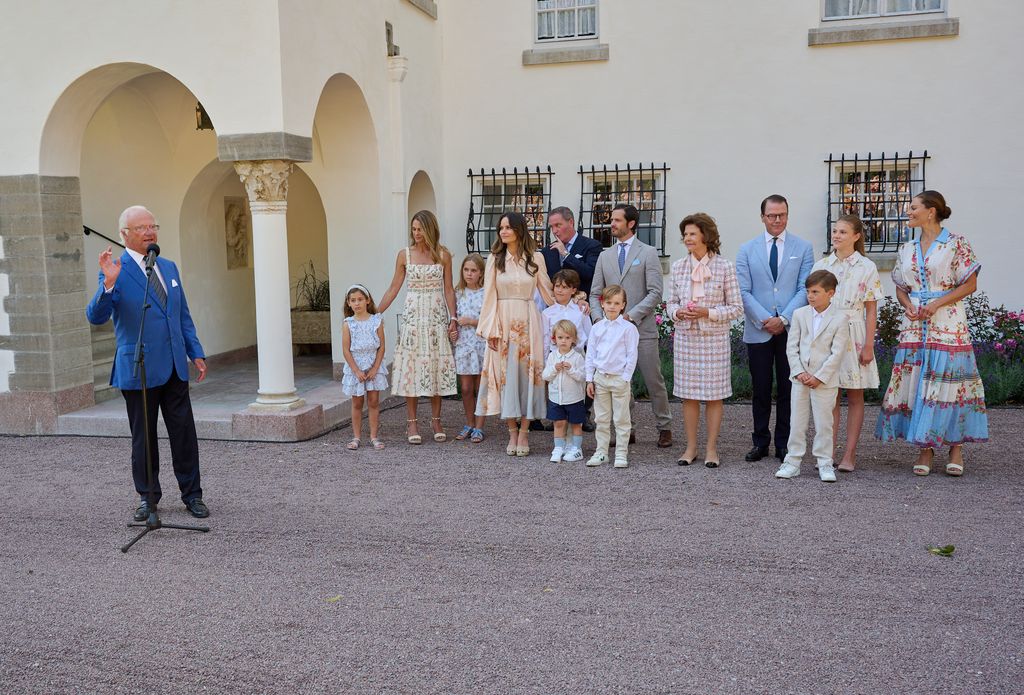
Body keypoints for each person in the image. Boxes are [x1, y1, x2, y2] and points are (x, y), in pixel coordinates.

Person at [85, 205, 209, 521]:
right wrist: (107, 285)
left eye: (152, 226)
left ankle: (192, 495)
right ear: (125, 234)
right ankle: (148, 497)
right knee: (144, 436)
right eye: (142, 228)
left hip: (174, 366)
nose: (150, 232)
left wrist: (195, 351)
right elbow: (96, 317)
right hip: (138, 368)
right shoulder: (115, 269)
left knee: (184, 433)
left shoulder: (168, 267)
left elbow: (181, 315)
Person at [875, 190, 988, 476]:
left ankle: (956, 448)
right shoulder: (907, 248)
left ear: (931, 211)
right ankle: (924, 449)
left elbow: (969, 284)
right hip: (915, 324)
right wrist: (908, 306)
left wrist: (936, 303)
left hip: (947, 322)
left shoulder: (955, 243)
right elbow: (901, 287)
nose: (908, 212)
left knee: (952, 384)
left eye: (913, 207)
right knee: (918, 383)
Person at [735, 194, 814, 463]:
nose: (777, 220)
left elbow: (805, 287)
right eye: (772, 215)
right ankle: (760, 441)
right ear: (762, 217)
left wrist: (785, 318)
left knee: (787, 387)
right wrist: (765, 318)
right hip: (759, 329)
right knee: (760, 388)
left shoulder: (803, 248)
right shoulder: (747, 249)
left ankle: (784, 443)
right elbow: (743, 291)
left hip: (791, 330)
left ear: (787, 216)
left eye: (782, 215)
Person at [589, 203, 673, 448]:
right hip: (611, 335)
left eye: (616, 220)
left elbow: (656, 292)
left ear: (631, 223)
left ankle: (664, 427)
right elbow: (595, 293)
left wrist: (631, 316)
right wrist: (598, 320)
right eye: (611, 220)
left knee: (653, 381)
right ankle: (628, 430)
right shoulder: (605, 256)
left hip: (642, 330)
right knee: (621, 383)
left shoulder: (647, 252)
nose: (611, 224)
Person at [665, 213, 743, 468]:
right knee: (687, 396)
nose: (687, 238)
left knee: (714, 396)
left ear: (706, 236)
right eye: (685, 234)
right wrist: (678, 312)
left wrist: (708, 312)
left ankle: (711, 448)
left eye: (692, 234)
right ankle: (690, 447)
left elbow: (736, 308)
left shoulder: (724, 267)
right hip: (687, 339)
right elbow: (670, 303)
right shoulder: (678, 267)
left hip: (714, 341)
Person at [476, 211, 554, 457]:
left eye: (508, 227)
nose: (503, 231)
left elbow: (548, 291)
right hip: (502, 320)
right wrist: (490, 330)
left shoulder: (536, 258)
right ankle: (512, 431)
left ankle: (525, 432)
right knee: (506, 377)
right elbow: (488, 296)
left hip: (529, 320)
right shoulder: (494, 259)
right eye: (501, 228)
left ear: (519, 230)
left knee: (527, 375)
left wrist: (574, 306)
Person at [377, 210, 458, 445]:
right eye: (413, 229)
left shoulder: (443, 255)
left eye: (420, 229)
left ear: (430, 228)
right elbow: (393, 287)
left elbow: (449, 289)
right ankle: (411, 423)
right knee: (412, 369)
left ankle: (436, 420)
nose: (416, 233)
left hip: (435, 317)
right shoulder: (405, 255)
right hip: (413, 318)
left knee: (435, 367)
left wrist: (453, 318)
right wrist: (375, 314)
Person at [813, 214, 883, 472]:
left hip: (854, 334)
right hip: (827, 333)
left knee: (855, 395)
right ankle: (827, 451)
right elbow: (812, 306)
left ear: (856, 236)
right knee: (829, 396)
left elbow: (871, 310)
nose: (836, 236)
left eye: (843, 232)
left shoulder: (867, 267)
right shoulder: (821, 265)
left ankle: (850, 454)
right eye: (834, 231)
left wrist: (869, 345)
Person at [775, 270, 850, 482]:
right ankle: (793, 460)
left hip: (824, 382)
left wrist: (819, 376)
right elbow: (792, 347)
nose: (811, 296)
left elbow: (838, 352)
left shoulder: (840, 318)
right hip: (800, 379)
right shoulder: (800, 314)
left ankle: (824, 462)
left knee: (824, 422)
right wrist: (799, 372)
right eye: (808, 291)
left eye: (815, 291)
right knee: (797, 421)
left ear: (830, 293)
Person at [585, 285, 640, 468]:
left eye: (617, 303)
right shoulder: (597, 328)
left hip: (619, 380)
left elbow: (632, 355)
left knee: (621, 419)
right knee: (601, 418)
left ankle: (621, 454)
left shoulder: (628, 329)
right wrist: (589, 379)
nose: (612, 306)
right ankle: (601, 452)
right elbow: (591, 355)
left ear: (623, 305)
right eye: (609, 302)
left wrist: (626, 378)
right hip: (600, 378)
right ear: (602, 304)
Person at [340, 284, 388, 451]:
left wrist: (375, 368)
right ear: (348, 303)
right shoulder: (348, 324)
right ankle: (356, 437)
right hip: (356, 367)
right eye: (353, 300)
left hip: (373, 365)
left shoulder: (377, 321)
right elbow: (346, 349)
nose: (357, 303)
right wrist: (356, 370)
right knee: (357, 402)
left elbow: (382, 346)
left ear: (367, 300)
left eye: (360, 299)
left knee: (373, 401)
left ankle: (374, 436)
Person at [542, 320, 587, 463]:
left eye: (568, 338)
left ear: (573, 339)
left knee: (576, 424)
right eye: (560, 338)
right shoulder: (552, 356)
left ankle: (576, 449)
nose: (563, 341)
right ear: (554, 339)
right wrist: (555, 368)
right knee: (559, 423)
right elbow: (545, 376)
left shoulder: (577, 357)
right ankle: (559, 448)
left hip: (574, 398)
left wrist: (571, 369)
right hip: (556, 398)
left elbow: (582, 377)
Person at [453, 253, 487, 443]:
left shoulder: (485, 293)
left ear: (480, 272)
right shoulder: (458, 292)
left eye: (473, 270)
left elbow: (490, 319)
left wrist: (472, 321)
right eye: (466, 270)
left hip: (481, 343)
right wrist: (453, 329)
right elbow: (453, 316)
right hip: (464, 344)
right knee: (465, 388)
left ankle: (480, 426)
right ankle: (469, 422)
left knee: (480, 386)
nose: (469, 274)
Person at [540, 206, 603, 297]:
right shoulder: (547, 251)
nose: (554, 231)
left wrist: (566, 255)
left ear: (571, 222)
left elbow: (590, 274)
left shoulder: (592, 245)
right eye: (551, 227)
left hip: (583, 306)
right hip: (554, 306)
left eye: (558, 225)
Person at [542, 269, 591, 354]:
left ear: (573, 290)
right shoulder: (547, 313)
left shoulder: (581, 310)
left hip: (579, 358)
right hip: (555, 359)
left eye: (564, 287)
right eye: (557, 286)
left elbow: (590, 336)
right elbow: (545, 341)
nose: (559, 290)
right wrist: (546, 364)